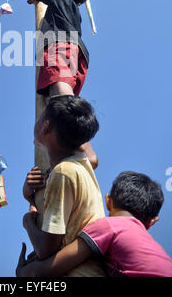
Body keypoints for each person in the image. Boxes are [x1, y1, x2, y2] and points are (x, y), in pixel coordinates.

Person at [17, 171, 172, 278]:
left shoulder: (108, 227)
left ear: (108, 201)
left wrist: (23, 272)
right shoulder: (154, 247)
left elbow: (54, 266)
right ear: (151, 222)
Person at [21, 95, 106, 277]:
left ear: (46, 126)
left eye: (40, 117)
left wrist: (28, 221)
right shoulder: (79, 166)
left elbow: (45, 250)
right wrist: (29, 194)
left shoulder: (63, 173)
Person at [22, 0, 97, 169]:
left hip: (60, 44)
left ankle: (85, 149)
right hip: (77, 53)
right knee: (59, 102)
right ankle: (67, 151)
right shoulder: (71, 9)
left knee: (61, 95)